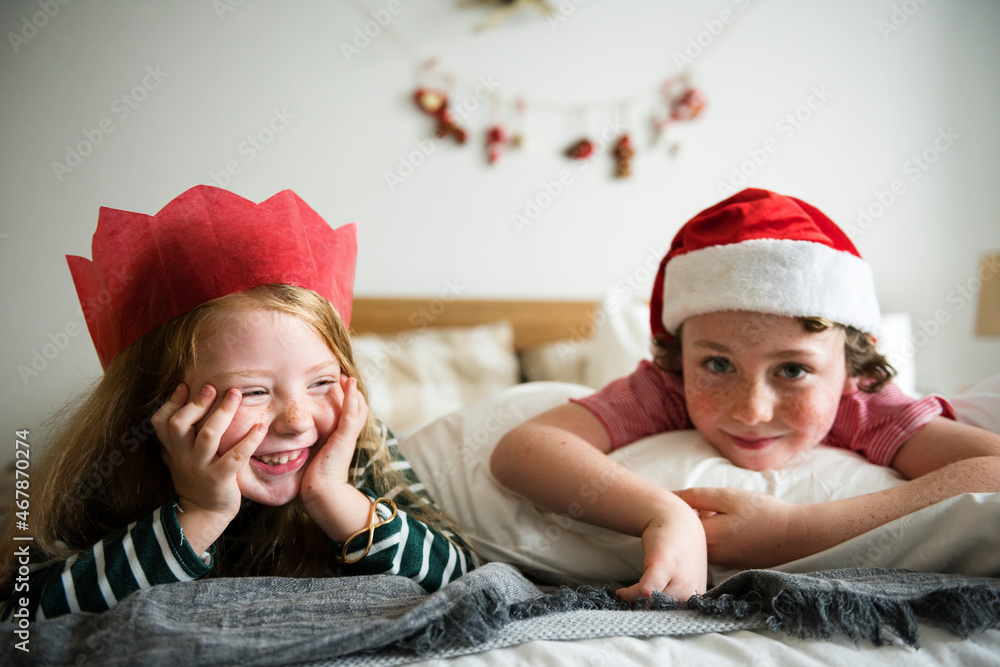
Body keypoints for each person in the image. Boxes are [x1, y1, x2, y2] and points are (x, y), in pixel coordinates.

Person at [490, 187, 1000, 603]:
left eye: (794, 369)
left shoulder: (863, 401)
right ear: (679, 355)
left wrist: (798, 530)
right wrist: (662, 513)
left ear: (851, 364)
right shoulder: (666, 388)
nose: (752, 410)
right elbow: (524, 448)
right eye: (717, 364)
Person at [1, 186, 478, 620]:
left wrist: (335, 498)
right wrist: (200, 513)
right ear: (157, 403)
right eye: (251, 391)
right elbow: (17, 618)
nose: (295, 422)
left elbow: (467, 578)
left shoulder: (358, 446)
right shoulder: (102, 467)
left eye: (320, 382)